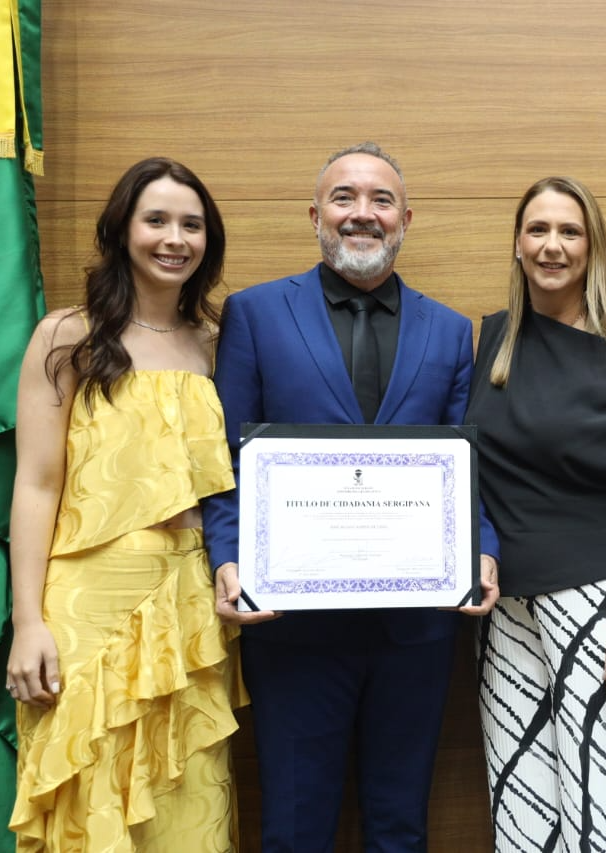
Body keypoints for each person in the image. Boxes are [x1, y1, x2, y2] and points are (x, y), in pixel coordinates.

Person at [202, 142, 499, 853]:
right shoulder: (254, 313)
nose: (362, 213)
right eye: (344, 197)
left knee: (400, 825)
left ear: (405, 220)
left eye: (381, 200)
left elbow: (466, 465)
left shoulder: (450, 330)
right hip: (291, 625)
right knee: (295, 826)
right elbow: (225, 458)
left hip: (417, 627)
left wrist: (483, 549)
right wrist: (226, 557)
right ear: (315, 215)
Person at [5, 158, 243, 850]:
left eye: (191, 225)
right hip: (86, 610)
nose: (175, 238)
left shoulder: (220, 343)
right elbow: (37, 484)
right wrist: (27, 621)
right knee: (89, 802)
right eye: (156, 220)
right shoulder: (67, 336)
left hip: (192, 604)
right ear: (121, 230)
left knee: (187, 805)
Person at [465, 176, 606, 852]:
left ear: (592, 246)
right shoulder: (496, 339)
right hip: (508, 609)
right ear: (517, 242)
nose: (552, 245)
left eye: (570, 231)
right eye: (538, 229)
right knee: (523, 817)